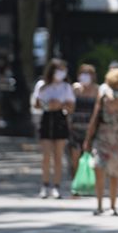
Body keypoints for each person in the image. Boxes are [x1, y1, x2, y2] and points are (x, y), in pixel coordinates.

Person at [84, 67, 118, 216]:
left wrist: (88, 139)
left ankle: (99, 205)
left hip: (103, 137)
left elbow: (95, 119)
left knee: (99, 171)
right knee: (115, 174)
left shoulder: (103, 97)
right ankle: (113, 206)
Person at [32, 59, 75, 199]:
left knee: (58, 155)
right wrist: (48, 105)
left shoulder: (66, 87)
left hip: (60, 119)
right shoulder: (42, 85)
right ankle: (45, 185)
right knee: (46, 156)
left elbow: (71, 107)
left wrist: (60, 105)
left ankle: (56, 186)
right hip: (46, 118)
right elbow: (36, 104)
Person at [69, 64, 99, 183]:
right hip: (76, 127)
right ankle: (76, 183)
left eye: (88, 73)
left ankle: (91, 182)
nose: (85, 76)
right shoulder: (75, 89)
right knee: (75, 157)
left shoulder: (98, 90)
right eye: (83, 73)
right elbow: (69, 107)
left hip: (92, 129)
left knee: (91, 157)